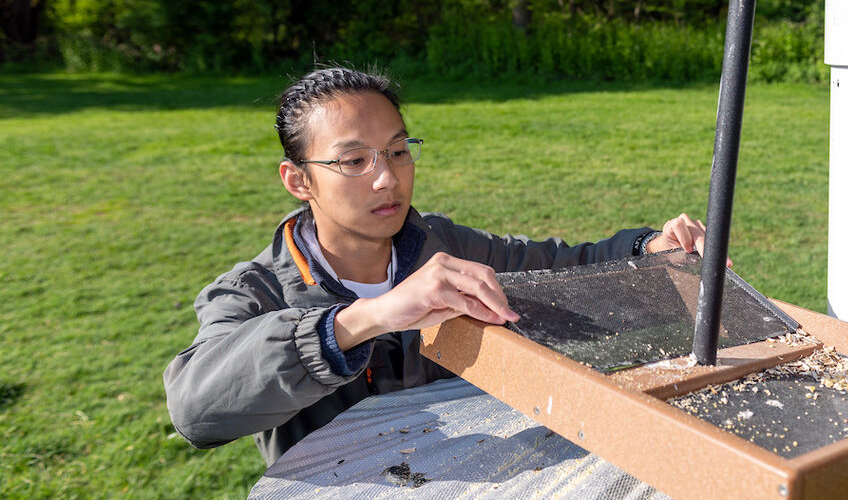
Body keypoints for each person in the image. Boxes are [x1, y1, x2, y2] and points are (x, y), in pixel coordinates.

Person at [164, 66, 716, 466]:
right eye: (354, 161)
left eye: (399, 151)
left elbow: (560, 267)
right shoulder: (252, 291)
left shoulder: (440, 246)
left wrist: (647, 249)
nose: (387, 178)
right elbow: (196, 410)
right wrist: (366, 319)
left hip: (473, 496)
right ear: (299, 180)